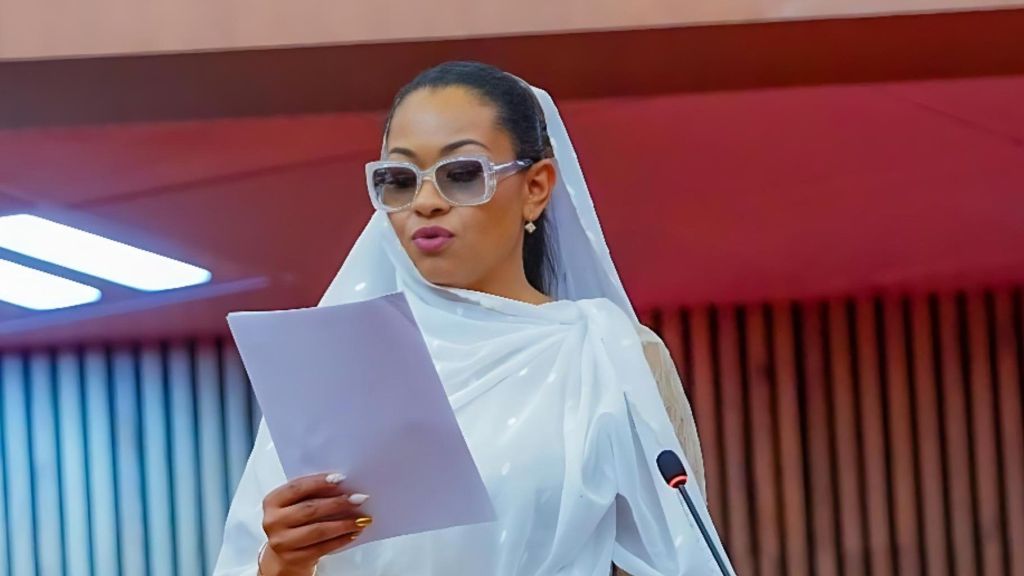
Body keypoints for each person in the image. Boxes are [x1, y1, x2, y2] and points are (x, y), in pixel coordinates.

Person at [214, 60, 725, 576]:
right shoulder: (335, 365)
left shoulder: (606, 353)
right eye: (400, 179)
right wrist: (281, 560)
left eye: (461, 175)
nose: (426, 202)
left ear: (536, 187)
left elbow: (683, 559)